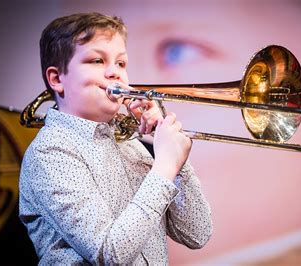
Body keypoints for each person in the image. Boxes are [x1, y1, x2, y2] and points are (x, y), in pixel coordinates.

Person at [18, 12, 212, 265]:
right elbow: (110, 254)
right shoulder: (51, 153)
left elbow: (197, 234)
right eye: (97, 60)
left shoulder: (129, 143)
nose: (115, 73)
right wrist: (164, 167)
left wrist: (177, 162)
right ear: (57, 79)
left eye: (121, 63)